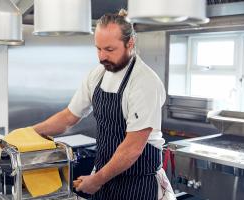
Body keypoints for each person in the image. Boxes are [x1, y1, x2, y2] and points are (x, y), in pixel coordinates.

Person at [32, 9, 167, 200]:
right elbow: (69, 116)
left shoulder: (144, 82)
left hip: (138, 183)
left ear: (130, 43)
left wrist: (96, 180)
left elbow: (132, 148)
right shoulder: (98, 74)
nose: (102, 56)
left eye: (109, 50)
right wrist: (29, 133)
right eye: (98, 48)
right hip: (105, 178)